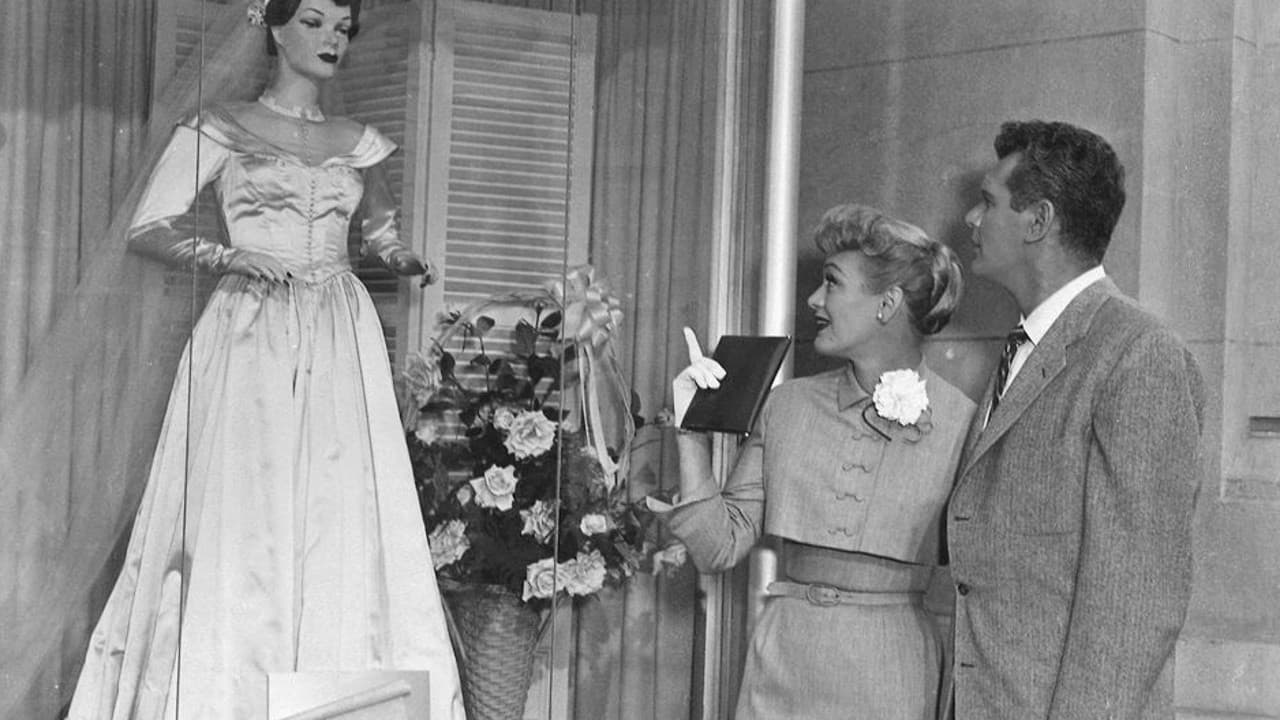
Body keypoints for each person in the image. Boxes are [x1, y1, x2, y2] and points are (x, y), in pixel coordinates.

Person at [65, 1, 465, 718]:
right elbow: (147, 226)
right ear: (274, 27)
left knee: (339, 506)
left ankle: (334, 695)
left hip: (339, 331)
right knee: (244, 507)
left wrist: (401, 256)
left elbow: (377, 229)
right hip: (251, 325)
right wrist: (227, 255)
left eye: (342, 27)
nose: (332, 39)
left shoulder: (359, 142)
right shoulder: (221, 125)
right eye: (314, 21)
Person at [660, 204, 974, 719]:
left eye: (832, 282)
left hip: (892, 674)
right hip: (782, 663)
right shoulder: (787, 405)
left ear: (887, 303)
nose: (813, 300)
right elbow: (716, 548)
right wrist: (690, 431)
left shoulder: (965, 425)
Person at [947, 120, 1205, 718]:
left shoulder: (1138, 352)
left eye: (988, 202)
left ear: (1038, 220)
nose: (971, 220)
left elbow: (1134, 606)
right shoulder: (1024, 346)